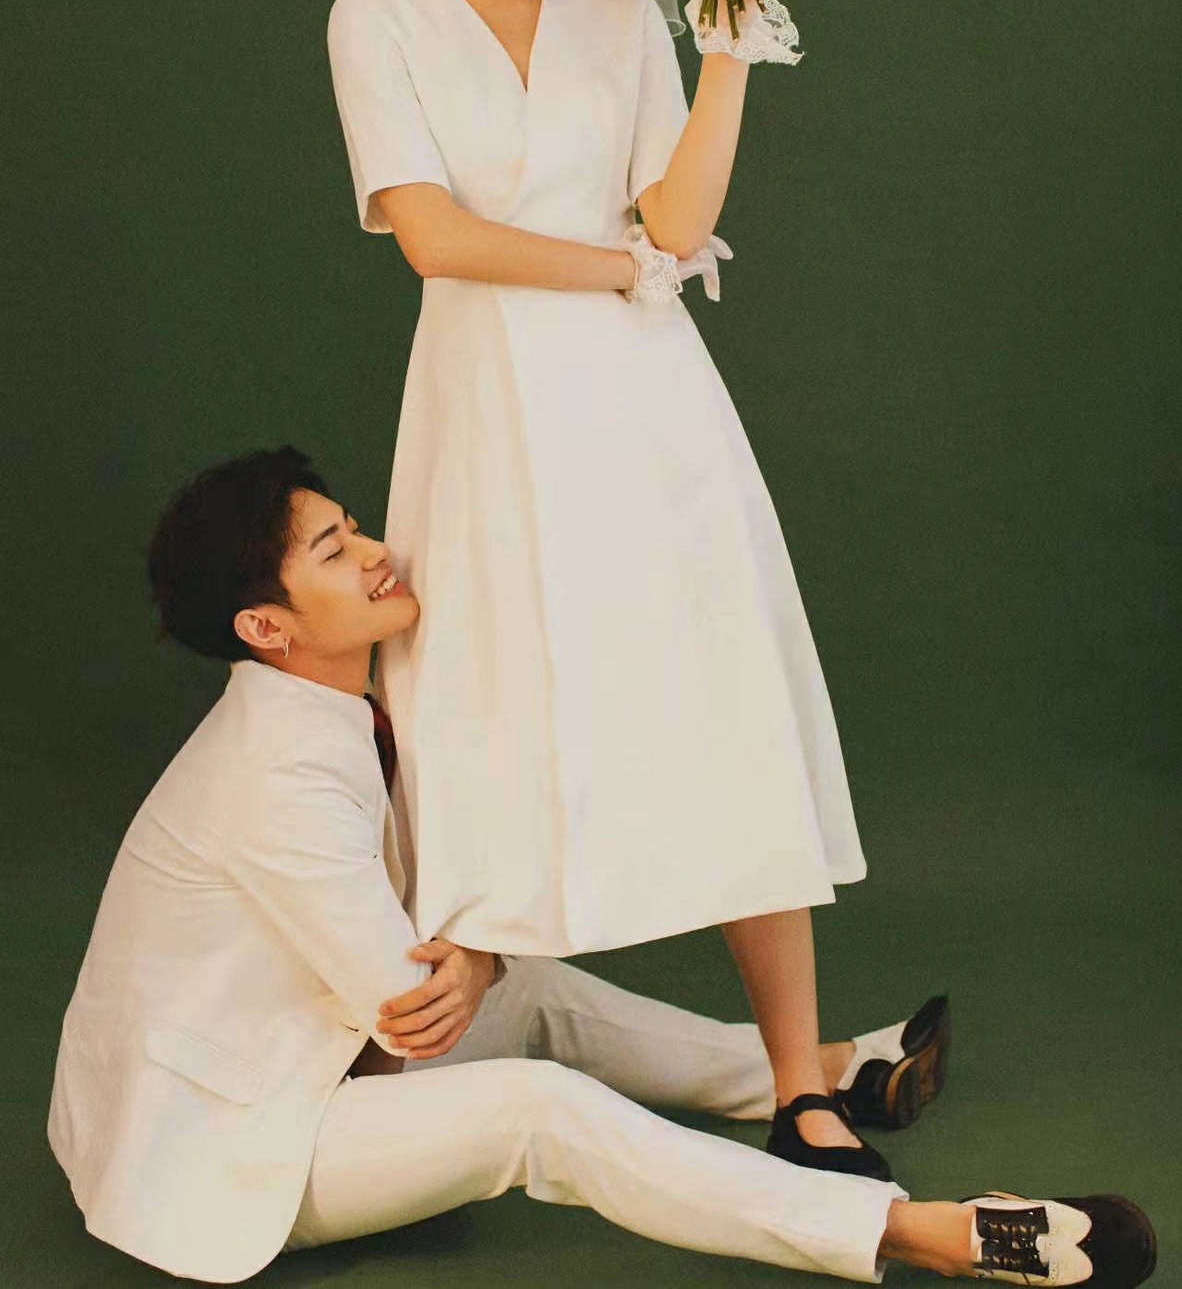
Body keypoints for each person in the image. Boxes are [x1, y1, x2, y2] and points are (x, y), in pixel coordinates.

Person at [46, 448, 1156, 1287]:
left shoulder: (332, 706)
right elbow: (406, 1014)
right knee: (538, 1110)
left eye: (354, 526)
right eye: (334, 552)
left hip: (290, 1065)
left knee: (532, 994)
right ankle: (923, 1232)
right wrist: (475, 954)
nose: (377, 549)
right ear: (266, 626)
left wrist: (485, 958)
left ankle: (821, 1073)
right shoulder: (275, 770)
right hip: (233, 1148)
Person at [326, 0, 884, 1178]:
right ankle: (413, 1032)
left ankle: (801, 1083)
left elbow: (679, 220)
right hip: (485, 404)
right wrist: (622, 270)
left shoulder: (623, 26)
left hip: (649, 406)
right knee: (476, 696)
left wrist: (727, 40)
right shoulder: (379, 22)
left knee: (721, 695)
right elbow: (434, 237)